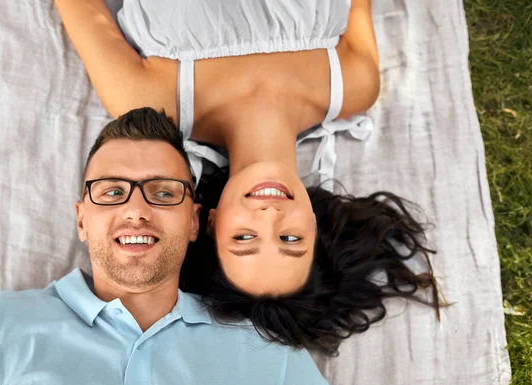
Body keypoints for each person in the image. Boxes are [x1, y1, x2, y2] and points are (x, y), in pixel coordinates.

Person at [55, 0, 442, 356]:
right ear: (315, 223)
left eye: (244, 238)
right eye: (291, 239)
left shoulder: (146, 95)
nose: (269, 214)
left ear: (210, 221)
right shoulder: (355, 85)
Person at [0, 108, 333, 385]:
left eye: (162, 193)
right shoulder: (3, 330)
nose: (136, 210)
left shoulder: (268, 354)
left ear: (194, 221)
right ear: (82, 221)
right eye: (111, 192)